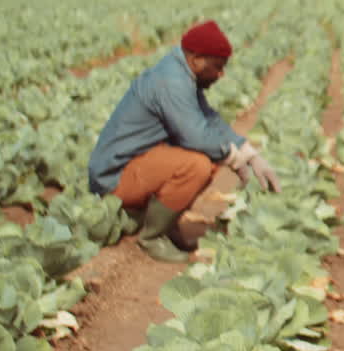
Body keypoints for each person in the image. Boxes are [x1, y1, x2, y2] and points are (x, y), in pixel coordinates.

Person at [88, 20, 281, 262]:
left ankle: (165, 224)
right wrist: (234, 158)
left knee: (207, 161)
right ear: (197, 59)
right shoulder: (172, 81)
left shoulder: (182, 73)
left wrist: (249, 152)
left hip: (134, 162)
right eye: (218, 67)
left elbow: (210, 120)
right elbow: (196, 136)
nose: (221, 74)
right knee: (196, 166)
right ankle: (152, 237)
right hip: (113, 177)